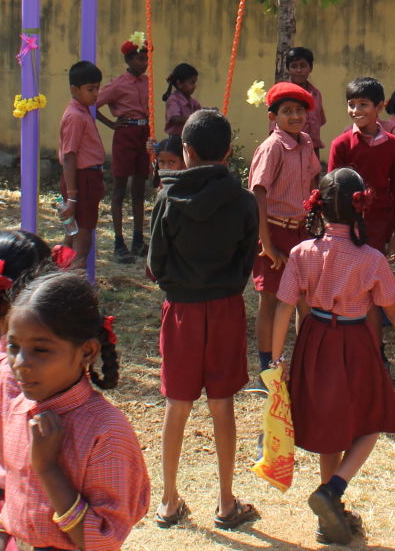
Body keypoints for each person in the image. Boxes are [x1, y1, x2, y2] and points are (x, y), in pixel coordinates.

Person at [270, 168, 395, 546]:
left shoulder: (302, 252)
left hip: (313, 340)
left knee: (328, 430)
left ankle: (327, 511)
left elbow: (284, 307)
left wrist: (275, 360)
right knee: (371, 423)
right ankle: (333, 491)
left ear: (318, 206)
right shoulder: (371, 259)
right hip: (354, 341)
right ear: (361, 208)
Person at [146, 109, 262, 531]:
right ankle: (226, 502)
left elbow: (155, 261)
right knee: (222, 403)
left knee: (177, 403)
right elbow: (247, 258)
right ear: (229, 152)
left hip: (180, 310)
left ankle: (168, 500)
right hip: (226, 307)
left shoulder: (166, 197)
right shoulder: (244, 200)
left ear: (185, 151)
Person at [0, 270, 150, 549]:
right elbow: (15, 492)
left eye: (41, 350)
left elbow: (103, 541)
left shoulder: (106, 433)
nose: (20, 363)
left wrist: (48, 468)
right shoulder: (19, 409)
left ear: (86, 352)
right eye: (14, 346)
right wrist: (0, 534)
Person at [0, 231, 52, 551]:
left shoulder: (17, 373)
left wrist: (2, 531)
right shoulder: (50, 351)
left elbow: (25, 461)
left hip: (23, 511)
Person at [247, 81, 317, 378]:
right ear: (272, 117)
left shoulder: (306, 142)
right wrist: (265, 243)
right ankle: (267, 367)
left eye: (299, 110)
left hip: (300, 231)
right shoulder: (272, 147)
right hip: (273, 230)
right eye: (286, 111)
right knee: (272, 299)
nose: (294, 116)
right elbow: (258, 194)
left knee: (305, 298)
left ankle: (302, 362)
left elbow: (314, 180)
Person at [327, 77, 395, 257]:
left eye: (363, 104)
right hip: (345, 223)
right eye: (351, 104)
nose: (356, 111)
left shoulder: (394, 145)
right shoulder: (341, 144)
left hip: (379, 222)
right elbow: (331, 191)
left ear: (379, 107)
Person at [96, 38, 153, 261]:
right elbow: (93, 104)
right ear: (128, 59)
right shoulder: (118, 84)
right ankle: (119, 242)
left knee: (140, 187)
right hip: (125, 134)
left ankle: (138, 239)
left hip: (143, 133)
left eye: (147, 57)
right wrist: (110, 124)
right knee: (119, 187)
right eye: (141, 58)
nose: (145, 62)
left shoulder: (147, 82)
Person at [58, 60, 107, 271]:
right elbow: (69, 156)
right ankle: (73, 280)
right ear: (74, 90)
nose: (96, 94)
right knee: (82, 234)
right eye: (90, 89)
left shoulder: (83, 110)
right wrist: (72, 196)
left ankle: (58, 277)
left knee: (73, 231)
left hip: (87, 178)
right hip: (81, 178)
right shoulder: (76, 116)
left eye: (97, 88)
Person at [285, 46, 327, 159]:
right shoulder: (283, 93)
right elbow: (274, 127)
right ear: (288, 69)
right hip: (290, 150)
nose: (299, 70)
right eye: (294, 66)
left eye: (303, 66)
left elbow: (320, 120)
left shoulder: (316, 94)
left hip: (313, 149)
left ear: (310, 68)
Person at [162, 62, 200, 139]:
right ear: (179, 83)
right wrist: (195, 119)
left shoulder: (193, 102)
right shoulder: (173, 99)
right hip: (176, 140)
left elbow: (200, 112)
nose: (195, 86)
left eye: (195, 82)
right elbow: (175, 118)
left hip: (189, 139)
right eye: (192, 82)